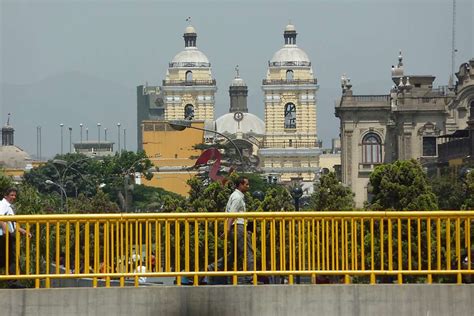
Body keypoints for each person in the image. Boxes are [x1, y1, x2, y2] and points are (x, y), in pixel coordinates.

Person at [205, 176, 254, 284]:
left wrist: (227, 229)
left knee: (234, 255)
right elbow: (232, 214)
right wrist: (227, 230)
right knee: (249, 253)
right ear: (240, 185)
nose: (248, 186)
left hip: (235, 227)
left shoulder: (236, 196)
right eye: (246, 184)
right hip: (238, 227)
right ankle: (250, 278)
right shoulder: (237, 197)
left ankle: (212, 268)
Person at [0, 188, 31, 288]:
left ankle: (12, 282)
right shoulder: (3, 205)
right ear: (6, 195)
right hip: (5, 236)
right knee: (11, 259)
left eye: (14, 195)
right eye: (11, 195)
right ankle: (13, 282)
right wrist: (6, 232)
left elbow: (11, 223)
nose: (14, 197)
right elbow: (1, 218)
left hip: (8, 235)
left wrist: (22, 230)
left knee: (7, 259)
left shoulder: (8, 207)